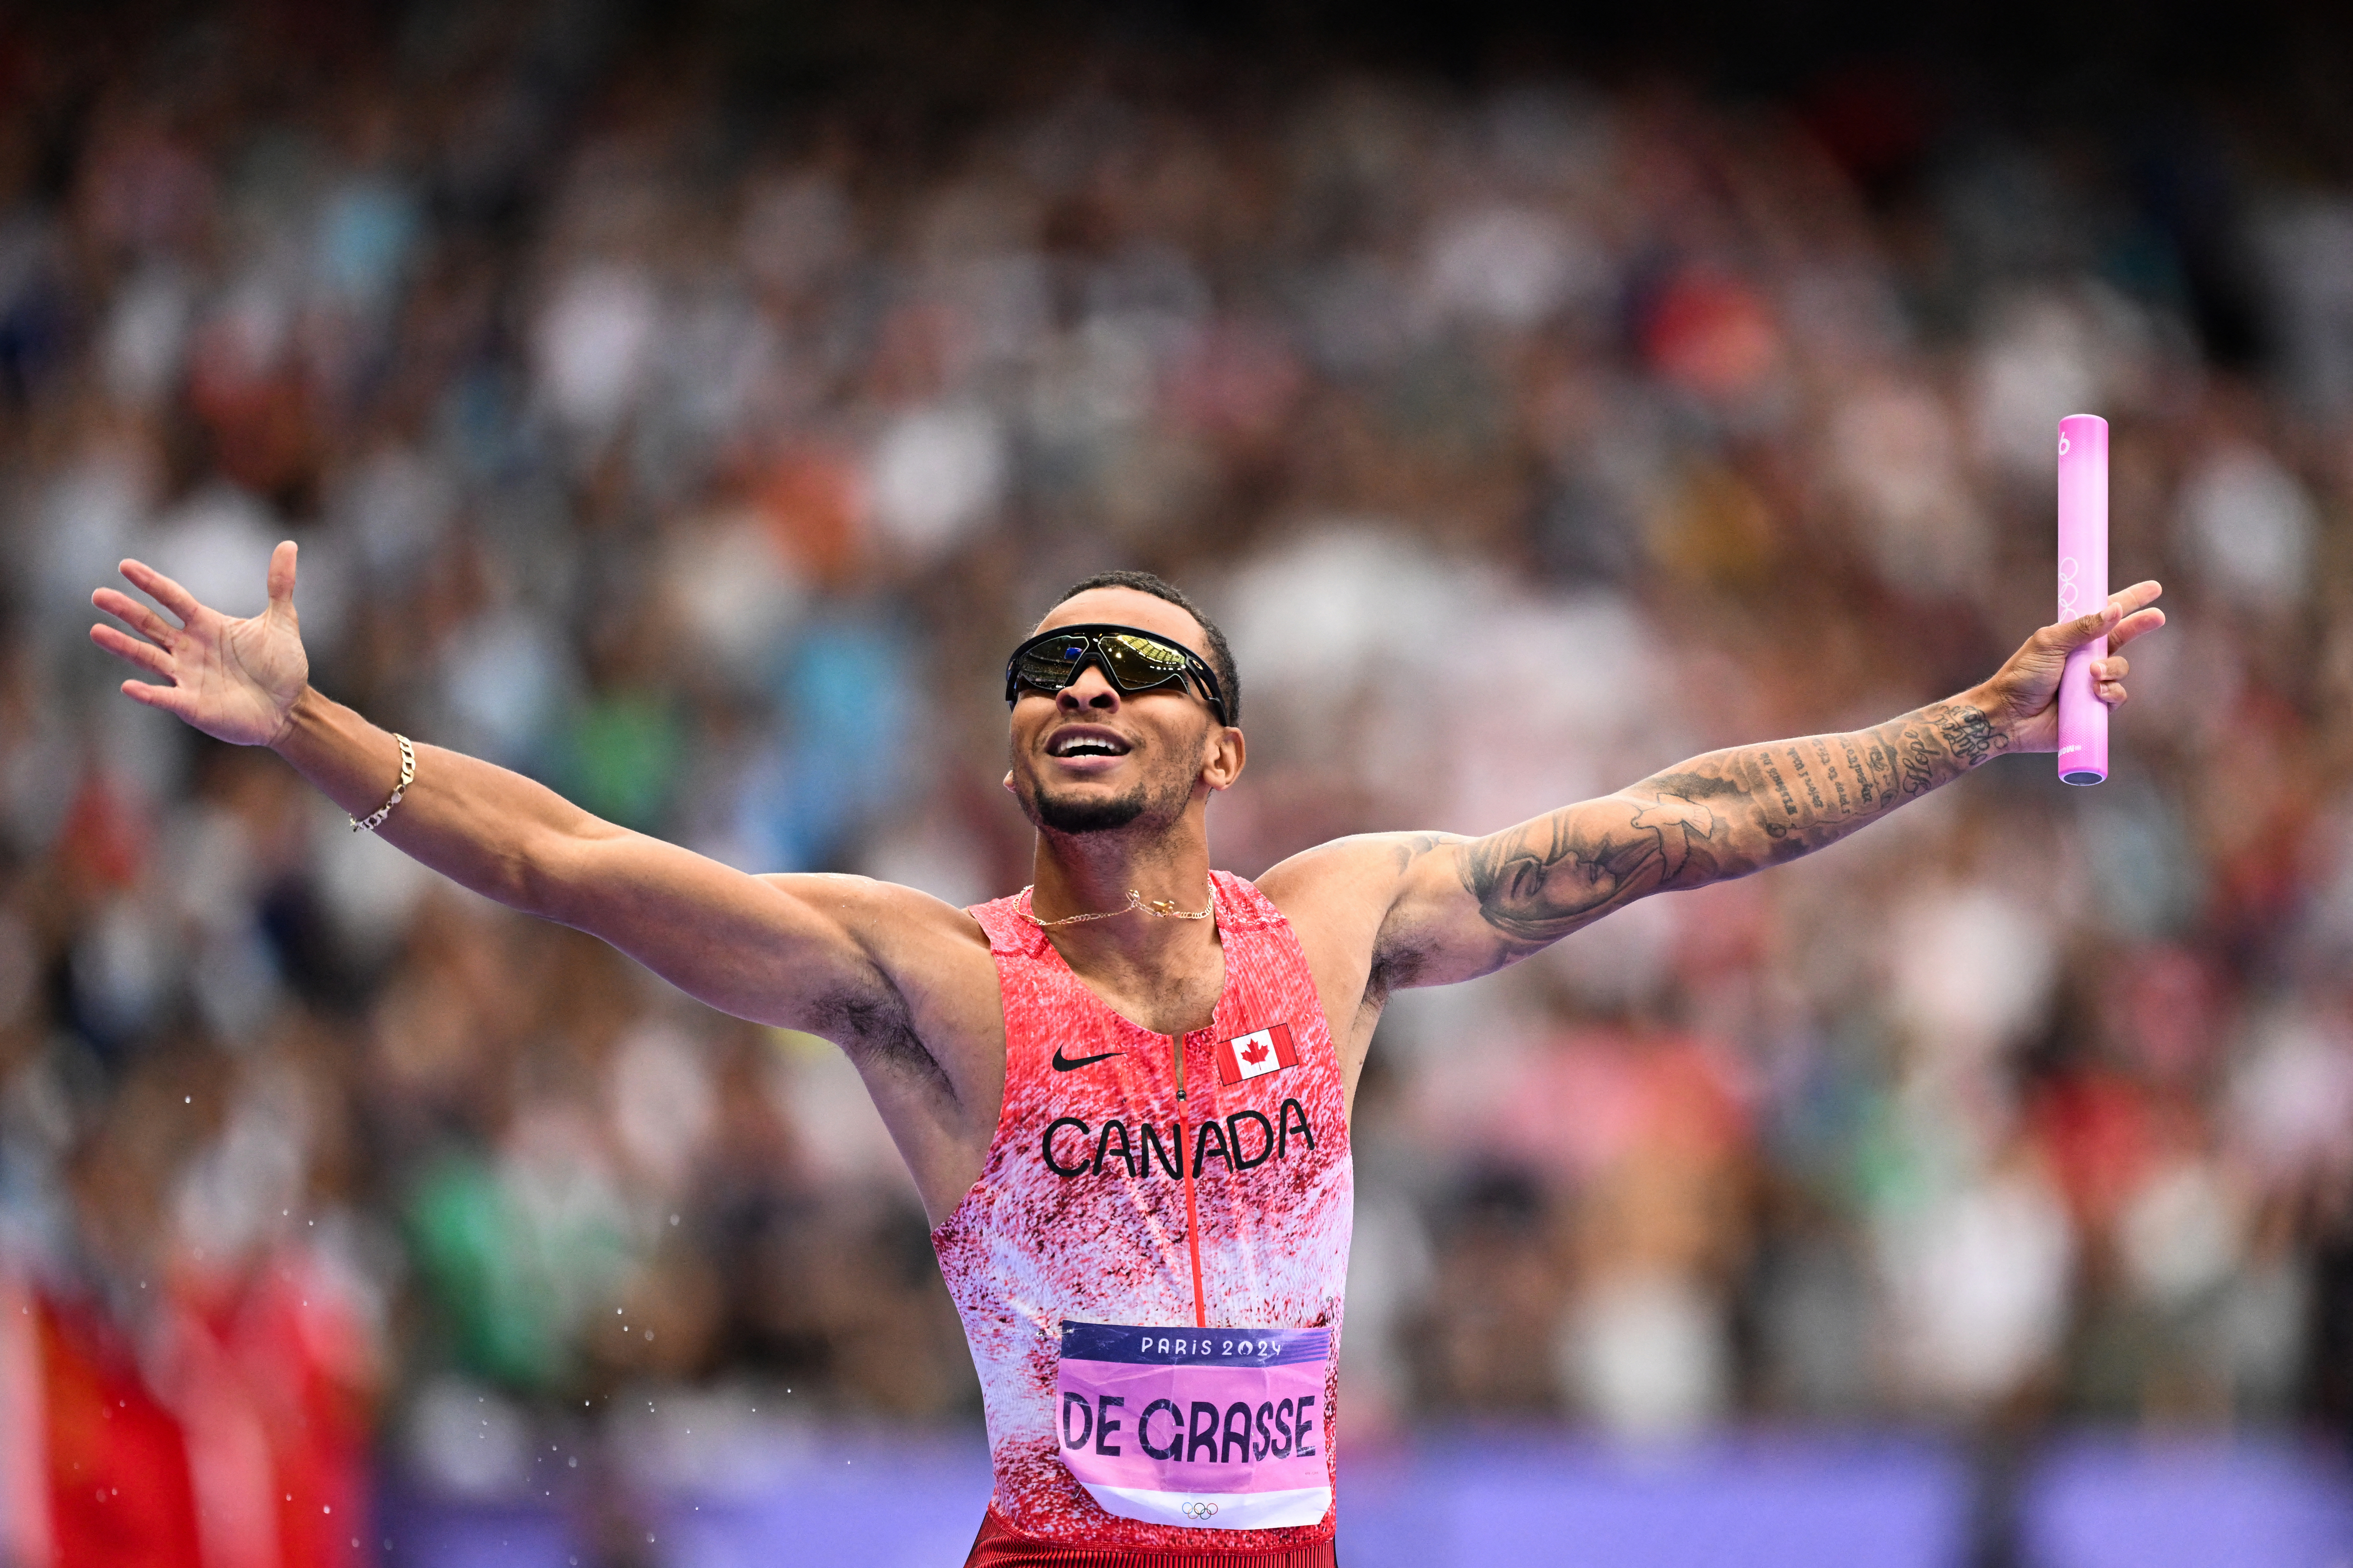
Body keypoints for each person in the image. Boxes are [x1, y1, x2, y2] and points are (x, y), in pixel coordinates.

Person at [90, 548, 2164, 1567]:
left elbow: (1687, 822)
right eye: (1043, 670)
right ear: (1011, 741)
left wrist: (1971, 721)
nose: (1082, 681)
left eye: (1139, 664)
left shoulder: (1339, 924)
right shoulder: (929, 980)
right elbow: (571, 861)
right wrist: (317, 733)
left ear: (1221, 744)